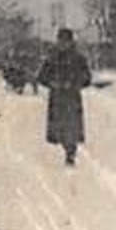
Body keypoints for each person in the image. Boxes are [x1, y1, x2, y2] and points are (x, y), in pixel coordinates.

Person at [37, 27, 92, 166]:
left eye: (65, 41)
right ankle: (65, 148)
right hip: (57, 98)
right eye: (61, 41)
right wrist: (53, 83)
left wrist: (74, 83)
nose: (63, 44)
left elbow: (87, 78)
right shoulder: (51, 59)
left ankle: (70, 153)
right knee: (60, 128)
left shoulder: (78, 59)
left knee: (71, 127)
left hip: (72, 98)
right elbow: (42, 77)